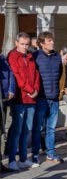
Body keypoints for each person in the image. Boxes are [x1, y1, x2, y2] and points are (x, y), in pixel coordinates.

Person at [7, 32, 40, 170]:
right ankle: (11, 160)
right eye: (22, 44)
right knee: (17, 130)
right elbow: (17, 77)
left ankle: (23, 159)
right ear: (16, 43)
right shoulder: (12, 56)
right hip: (19, 99)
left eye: (27, 44)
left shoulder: (30, 57)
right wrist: (30, 90)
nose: (25, 47)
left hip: (31, 99)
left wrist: (36, 90)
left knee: (27, 130)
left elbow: (36, 75)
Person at [31, 32, 63, 164]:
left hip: (54, 98)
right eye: (49, 41)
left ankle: (51, 154)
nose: (52, 43)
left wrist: (60, 92)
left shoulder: (57, 57)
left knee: (51, 129)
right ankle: (34, 156)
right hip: (40, 99)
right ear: (42, 43)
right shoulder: (35, 56)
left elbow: (60, 74)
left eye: (52, 40)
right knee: (38, 128)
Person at [0, 53, 16, 171]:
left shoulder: (2, 59)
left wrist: (10, 89)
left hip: (3, 99)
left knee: (1, 131)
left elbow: (10, 74)